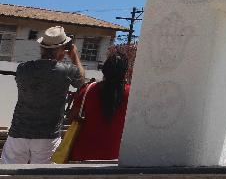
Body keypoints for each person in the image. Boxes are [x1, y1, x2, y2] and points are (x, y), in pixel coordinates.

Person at [0, 27, 86, 164]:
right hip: (47, 136)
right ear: (62, 49)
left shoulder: (23, 68)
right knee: (42, 174)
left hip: (18, 133)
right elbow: (81, 82)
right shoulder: (66, 72)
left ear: (42, 48)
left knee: (8, 173)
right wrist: (74, 55)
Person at [66, 52, 130, 161]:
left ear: (104, 69)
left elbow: (71, 117)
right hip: (116, 157)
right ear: (124, 72)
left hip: (83, 154)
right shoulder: (132, 94)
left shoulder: (88, 89)